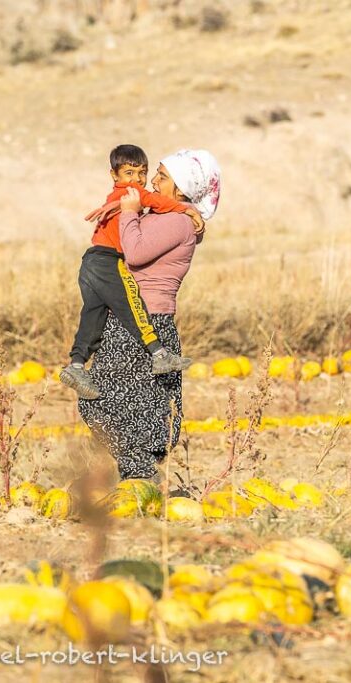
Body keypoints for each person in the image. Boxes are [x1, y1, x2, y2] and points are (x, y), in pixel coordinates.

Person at [79, 149, 221, 480]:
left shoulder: (176, 221)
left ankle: (139, 476)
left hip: (145, 321)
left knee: (113, 400)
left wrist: (129, 213)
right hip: (134, 316)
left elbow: (136, 252)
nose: (152, 181)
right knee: (127, 401)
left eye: (162, 176)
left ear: (182, 188)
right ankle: (134, 476)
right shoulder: (169, 214)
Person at [59, 144, 204, 399]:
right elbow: (156, 207)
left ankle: (77, 364)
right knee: (131, 304)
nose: (140, 180)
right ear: (114, 175)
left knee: (92, 316)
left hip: (91, 261)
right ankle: (158, 354)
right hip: (108, 260)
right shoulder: (133, 194)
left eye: (143, 173)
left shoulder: (122, 194)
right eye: (130, 173)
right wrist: (188, 210)